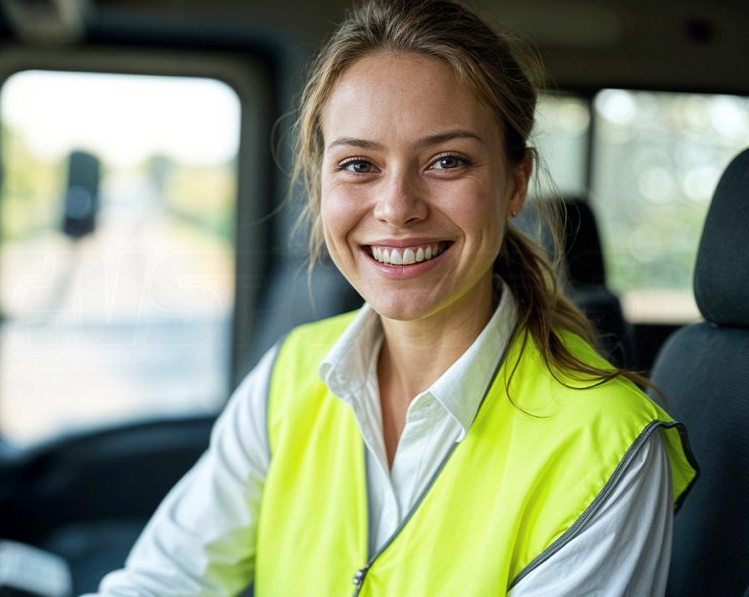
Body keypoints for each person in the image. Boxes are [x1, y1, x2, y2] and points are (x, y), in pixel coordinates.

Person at [88, 0, 698, 594]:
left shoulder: (608, 444)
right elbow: (162, 579)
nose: (397, 207)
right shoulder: (290, 374)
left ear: (515, 184)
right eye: (358, 164)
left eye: (447, 161)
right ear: (320, 183)